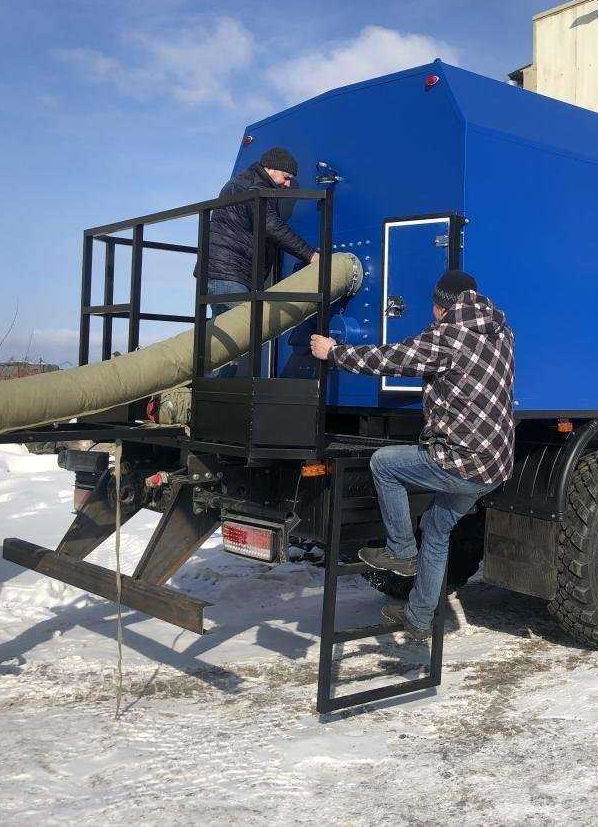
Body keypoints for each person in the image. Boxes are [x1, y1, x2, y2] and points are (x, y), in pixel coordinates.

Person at [309, 270, 515, 641]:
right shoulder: (501, 331)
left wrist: (334, 353)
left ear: (439, 308)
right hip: (496, 462)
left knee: (384, 464)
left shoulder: (448, 336)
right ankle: (419, 618)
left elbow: (392, 359)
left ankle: (401, 552)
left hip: (463, 458)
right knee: (436, 529)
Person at [206, 147, 319, 376]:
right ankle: (220, 397)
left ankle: (215, 396)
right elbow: (272, 227)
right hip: (230, 274)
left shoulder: (245, 183)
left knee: (225, 342)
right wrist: (311, 255)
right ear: (271, 168)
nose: (288, 185)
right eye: (286, 178)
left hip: (225, 273)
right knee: (240, 338)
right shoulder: (252, 189)